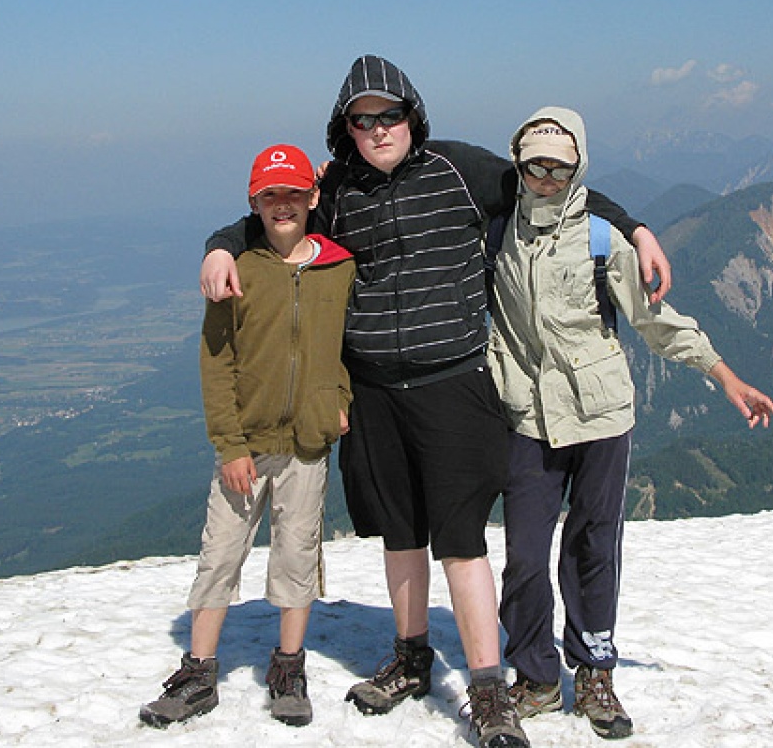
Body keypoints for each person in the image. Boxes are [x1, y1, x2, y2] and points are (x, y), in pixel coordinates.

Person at [198, 56, 672, 748]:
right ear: (346, 129)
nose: (377, 127)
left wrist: (635, 228)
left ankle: (486, 689)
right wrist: (218, 246)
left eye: (389, 114)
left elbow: (550, 189)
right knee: (400, 533)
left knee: (460, 540)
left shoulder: (461, 169)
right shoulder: (338, 194)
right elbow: (277, 218)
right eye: (362, 119)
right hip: (376, 392)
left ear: (412, 115)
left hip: (454, 382)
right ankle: (412, 656)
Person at [488, 107, 773, 741]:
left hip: (601, 416)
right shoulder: (495, 228)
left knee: (595, 548)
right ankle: (535, 677)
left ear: (578, 167)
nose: (545, 177)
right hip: (528, 415)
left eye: (559, 167)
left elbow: (653, 321)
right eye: (533, 165)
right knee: (525, 558)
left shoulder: (601, 238)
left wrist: (723, 375)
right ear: (517, 163)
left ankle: (594, 670)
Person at [140, 144, 354, 730]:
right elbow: (217, 361)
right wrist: (230, 446)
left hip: (309, 444)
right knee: (220, 556)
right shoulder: (238, 270)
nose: (282, 206)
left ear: (313, 197)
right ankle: (199, 670)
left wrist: (339, 401)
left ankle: (289, 667)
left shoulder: (339, 266)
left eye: (292, 194)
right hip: (248, 446)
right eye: (269, 196)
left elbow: (342, 347)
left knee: (296, 556)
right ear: (253, 203)